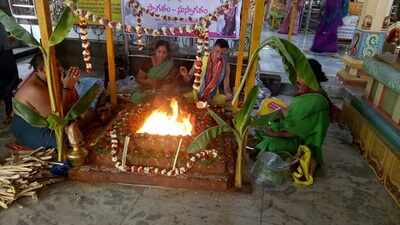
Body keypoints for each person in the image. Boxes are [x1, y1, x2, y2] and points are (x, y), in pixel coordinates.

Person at [256, 59, 331, 175]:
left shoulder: (314, 100)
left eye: (301, 76)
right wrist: (279, 110)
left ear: (311, 77)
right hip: (294, 131)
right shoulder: (313, 94)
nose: (297, 80)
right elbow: (293, 117)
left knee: (270, 143)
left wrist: (274, 133)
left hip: (304, 143)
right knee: (263, 129)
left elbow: (293, 131)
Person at [11, 53, 80, 149]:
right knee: (63, 140)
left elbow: (74, 102)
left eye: (59, 65)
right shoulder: (34, 89)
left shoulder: (50, 79)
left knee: (81, 119)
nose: (60, 69)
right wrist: (67, 88)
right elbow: (57, 119)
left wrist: (71, 86)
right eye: (55, 66)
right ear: (40, 70)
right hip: (29, 126)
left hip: (50, 117)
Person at [179, 39, 232, 105]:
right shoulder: (201, 59)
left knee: (227, 98)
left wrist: (229, 95)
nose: (219, 56)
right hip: (196, 95)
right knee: (180, 99)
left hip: (213, 97)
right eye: (217, 51)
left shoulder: (226, 65)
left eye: (222, 54)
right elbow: (188, 79)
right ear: (213, 48)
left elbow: (226, 87)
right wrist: (185, 75)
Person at [0, 23, 20, 124]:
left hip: (5, 56)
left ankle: (11, 113)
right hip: (6, 54)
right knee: (9, 87)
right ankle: (11, 113)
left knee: (9, 87)